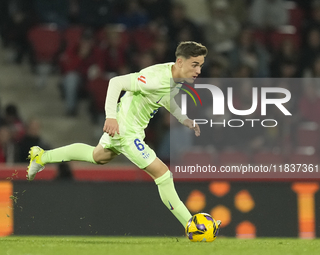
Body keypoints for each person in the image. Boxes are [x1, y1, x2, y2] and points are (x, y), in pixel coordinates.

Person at [26, 41, 221, 230]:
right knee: (163, 174)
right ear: (180, 62)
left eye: (201, 65)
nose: (198, 71)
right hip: (126, 130)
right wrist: (110, 117)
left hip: (129, 127)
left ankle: (42, 156)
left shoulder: (175, 77)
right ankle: (193, 226)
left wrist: (183, 119)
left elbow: (166, 97)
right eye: (195, 65)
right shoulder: (155, 78)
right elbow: (116, 82)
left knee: (97, 156)